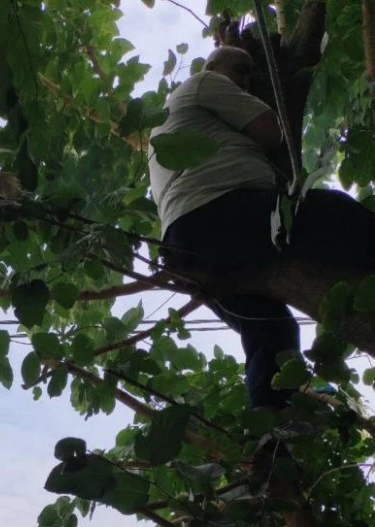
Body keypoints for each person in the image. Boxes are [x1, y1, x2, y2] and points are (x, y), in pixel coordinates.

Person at [149, 46, 375, 409]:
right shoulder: (203, 82)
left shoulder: (181, 116)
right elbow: (270, 132)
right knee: (336, 213)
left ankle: (270, 442)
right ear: (211, 65)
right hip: (217, 214)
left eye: (251, 75)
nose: (246, 81)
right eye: (240, 70)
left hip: (188, 249)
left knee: (273, 332)